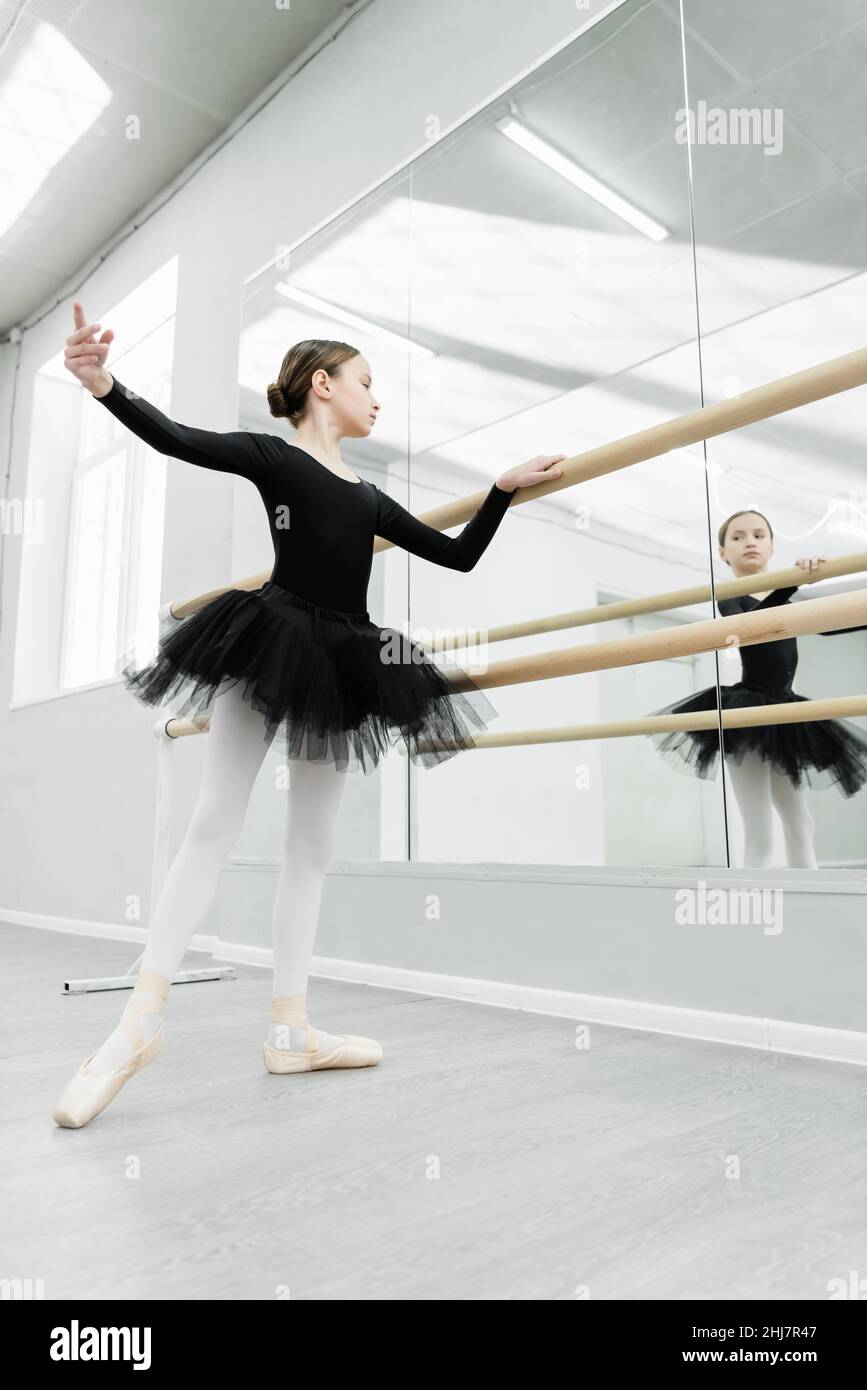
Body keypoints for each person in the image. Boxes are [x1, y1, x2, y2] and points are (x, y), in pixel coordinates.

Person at [52, 303, 566, 1128]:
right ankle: (136, 1024)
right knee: (214, 823)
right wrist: (100, 383)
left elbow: (459, 555)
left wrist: (501, 491)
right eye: (367, 382)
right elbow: (176, 438)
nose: (377, 398)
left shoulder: (369, 498)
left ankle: (289, 1029)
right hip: (270, 638)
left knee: (312, 850)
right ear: (322, 387)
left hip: (342, 659)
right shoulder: (273, 459)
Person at [646, 509, 867, 868]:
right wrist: (791, 583)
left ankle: (807, 902)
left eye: (758, 535)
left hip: (785, 712)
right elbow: (750, 625)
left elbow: (829, 624)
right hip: (747, 712)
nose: (749, 541)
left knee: (801, 824)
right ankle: (753, 907)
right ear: (723, 553)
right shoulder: (731, 595)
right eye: (738, 537)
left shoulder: (787, 600)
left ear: (772, 546)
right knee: (760, 828)